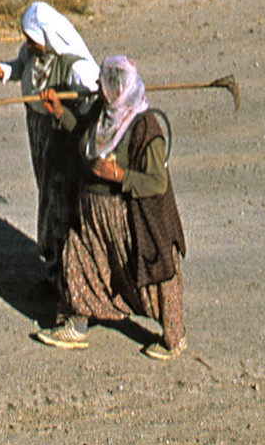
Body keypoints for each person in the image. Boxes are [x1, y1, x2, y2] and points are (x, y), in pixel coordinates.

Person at [33, 53, 186, 360]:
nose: (100, 89)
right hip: (92, 218)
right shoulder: (102, 114)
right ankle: (76, 325)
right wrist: (61, 112)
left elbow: (157, 182)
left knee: (152, 274)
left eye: (107, 84)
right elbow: (83, 137)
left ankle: (174, 338)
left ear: (121, 88)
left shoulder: (145, 127)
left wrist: (118, 175)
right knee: (77, 257)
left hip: (127, 221)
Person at [0, 1, 101, 289]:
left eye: (32, 39)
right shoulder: (32, 51)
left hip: (60, 136)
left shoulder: (71, 64)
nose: (28, 44)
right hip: (38, 132)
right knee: (46, 192)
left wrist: (62, 104)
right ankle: (53, 265)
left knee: (59, 197)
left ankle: (67, 273)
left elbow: (93, 91)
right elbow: (20, 68)